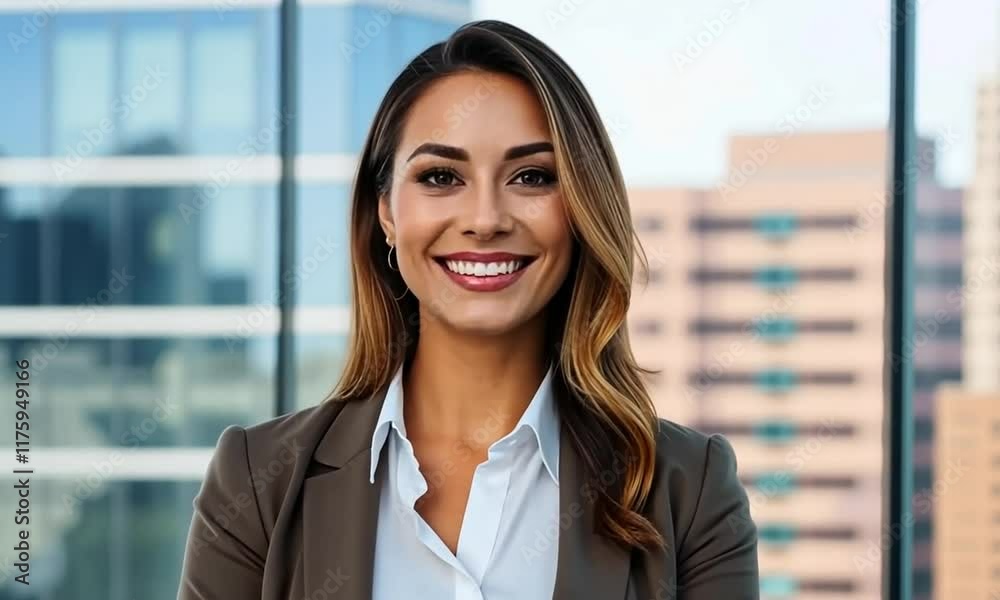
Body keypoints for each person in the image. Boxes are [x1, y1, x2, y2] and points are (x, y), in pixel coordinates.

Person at [178, 19, 758, 600]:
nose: (485, 219)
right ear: (385, 212)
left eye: (532, 176)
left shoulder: (689, 489)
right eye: (440, 177)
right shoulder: (258, 482)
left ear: (581, 208)